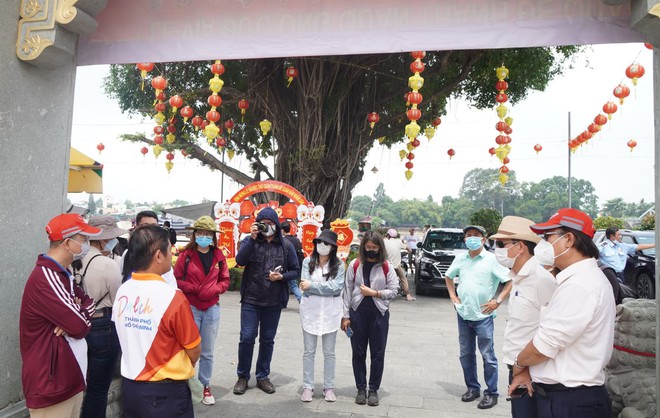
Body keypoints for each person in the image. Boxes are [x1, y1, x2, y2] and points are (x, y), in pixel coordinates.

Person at [510, 208, 615, 418]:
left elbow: (543, 347)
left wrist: (519, 364)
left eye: (548, 237)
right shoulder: (579, 280)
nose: (543, 244)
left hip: (570, 402)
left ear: (568, 240)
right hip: (565, 397)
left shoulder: (580, 285)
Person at [113, 225, 201, 418]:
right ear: (159, 256)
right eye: (169, 249)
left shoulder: (123, 290)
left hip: (132, 389)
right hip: (165, 393)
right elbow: (194, 348)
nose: (172, 254)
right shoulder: (172, 297)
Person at [20, 214, 101, 417]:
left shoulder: (63, 274)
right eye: (83, 239)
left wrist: (75, 314)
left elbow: (89, 301)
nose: (86, 245)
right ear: (67, 243)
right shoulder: (47, 277)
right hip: (51, 383)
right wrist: (75, 317)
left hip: (66, 376)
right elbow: (81, 326)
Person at [489, 216, 557, 418]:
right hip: (519, 369)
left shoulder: (540, 280)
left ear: (520, 247)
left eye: (501, 244)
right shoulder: (518, 278)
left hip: (532, 372)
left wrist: (524, 368)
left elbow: (551, 333)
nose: (497, 249)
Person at [233, 207, 301, 395]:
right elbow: (240, 260)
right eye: (263, 223)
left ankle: (263, 376)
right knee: (247, 337)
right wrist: (252, 238)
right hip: (251, 299)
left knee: (267, 339)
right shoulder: (250, 241)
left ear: (277, 225)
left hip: (274, 301)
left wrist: (281, 277)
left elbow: (295, 270)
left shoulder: (285, 245)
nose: (267, 226)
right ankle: (243, 376)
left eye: (270, 223)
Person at [444, 225, 511, 410]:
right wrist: (452, 295)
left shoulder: (492, 260)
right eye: (468, 236)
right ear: (464, 239)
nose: (472, 238)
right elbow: (449, 277)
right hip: (463, 313)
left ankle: (492, 392)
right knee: (466, 354)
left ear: (483, 239)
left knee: (488, 355)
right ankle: (472, 388)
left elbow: (509, 281)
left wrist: (498, 301)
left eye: (476, 235)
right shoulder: (460, 258)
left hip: (483, 315)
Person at [174, 215, 230, 406]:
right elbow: (177, 280)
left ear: (213, 236)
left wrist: (214, 289)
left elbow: (225, 280)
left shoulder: (218, 256)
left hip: (212, 308)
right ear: (194, 234)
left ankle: (205, 385)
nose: (203, 236)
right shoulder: (185, 255)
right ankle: (186, 385)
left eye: (207, 233)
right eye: (200, 232)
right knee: (189, 349)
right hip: (191, 307)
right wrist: (195, 289)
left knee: (207, 351)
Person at [341, 230, 399, 407]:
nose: (371, 250)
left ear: (379, 248)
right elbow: (347, 291)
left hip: (379, 314)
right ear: (363, 246)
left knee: (377, 354)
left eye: (374, 247)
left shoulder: (386, 266)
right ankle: (360, 389)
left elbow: (395, 290)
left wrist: (375, 293)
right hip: (357, 313)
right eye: (368, 247)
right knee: (358, 353)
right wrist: (345, 316)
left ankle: (373, 389)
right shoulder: (355, 264)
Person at [79, 215, 127, 418]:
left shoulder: (76, 259)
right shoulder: (108, 265)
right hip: (104, 325)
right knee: (98, 389)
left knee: (83, 383)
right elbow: (119, 301)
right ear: (102, 239)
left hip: (80, 324)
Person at [298, 230, 346, 403]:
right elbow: (304, 284)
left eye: (326, 243)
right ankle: (308, 387)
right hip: (310, 311)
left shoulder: (339, 265)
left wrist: (313, 286)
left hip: (330, 313)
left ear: (333, 247)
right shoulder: (307, 262)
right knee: (309, 351)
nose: (322, 246)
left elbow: (336, 287)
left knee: (329, 352)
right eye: (319, 242)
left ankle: (329, 387)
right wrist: (318, 287)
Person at [121, 210, 177, 287]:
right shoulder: (127, 254)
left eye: (154, 226)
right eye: (145, 226)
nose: (150, 231)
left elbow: (171, 286)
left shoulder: (164, 257)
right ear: (136, 228)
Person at [383, 228, 415, 301]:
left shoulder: (384, 241)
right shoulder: (399, 241)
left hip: (387, 265)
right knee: (403, 279)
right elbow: (409, 249)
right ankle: (408, 295)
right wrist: (409, 251)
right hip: (397, 266)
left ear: (388, 235)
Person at [282, 220, 304, 303]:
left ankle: (301, 300)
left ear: (282, 230)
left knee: (293, 285)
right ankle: (284, 302)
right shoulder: (296, 240)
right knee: (290, 284)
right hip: (295, 265)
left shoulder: (283, 241)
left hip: (286, 265)